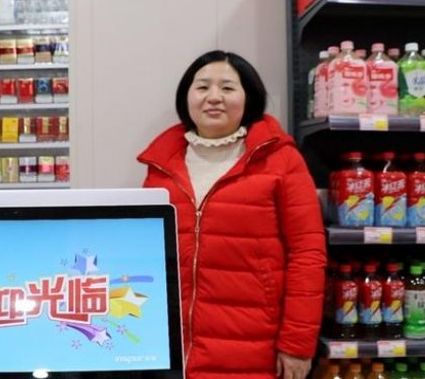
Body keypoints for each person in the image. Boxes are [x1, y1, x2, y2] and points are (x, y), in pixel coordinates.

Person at [137, 50, 326, 379]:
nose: (213, 97)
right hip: (171, 346)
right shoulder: (161, 164)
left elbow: (307, 253)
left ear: (248, 97)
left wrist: (297, 343)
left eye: (227, 88)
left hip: (253, 345)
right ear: (186, 97)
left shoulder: (281, 160)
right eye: (202, 87)